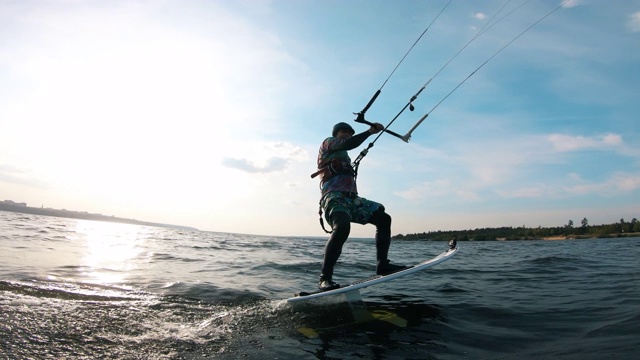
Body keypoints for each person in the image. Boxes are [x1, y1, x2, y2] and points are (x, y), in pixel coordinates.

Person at [315, 121, 406, 291]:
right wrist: (370, 131)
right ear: (336, 134)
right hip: (334, 197)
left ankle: (382, 265)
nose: (347, 134)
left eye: (349, 133)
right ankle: (325, 278)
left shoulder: (344, 156)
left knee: (383, 218)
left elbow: (348, 145)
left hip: (352, 200)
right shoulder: (328, 143)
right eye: (343, 132)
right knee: (342, 227)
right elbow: (348, 144)